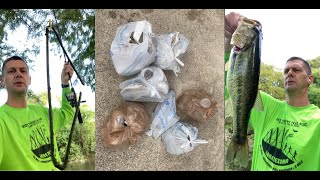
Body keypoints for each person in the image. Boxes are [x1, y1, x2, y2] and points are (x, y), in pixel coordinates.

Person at [225, 12, 320, 171]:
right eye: (286, 71)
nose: (289, 73)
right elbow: (232, 86)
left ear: (310, 79)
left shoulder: (317, 120)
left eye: (296, 70)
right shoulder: (266, 106)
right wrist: (228, 43)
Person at [0, 56, 75, 170]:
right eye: (11, 71)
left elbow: (67, 113)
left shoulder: (41, 111)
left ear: (29, 79)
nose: (18, 74)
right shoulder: (2, 119)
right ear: (2, 80)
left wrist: (65, 84)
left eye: (23, 70)